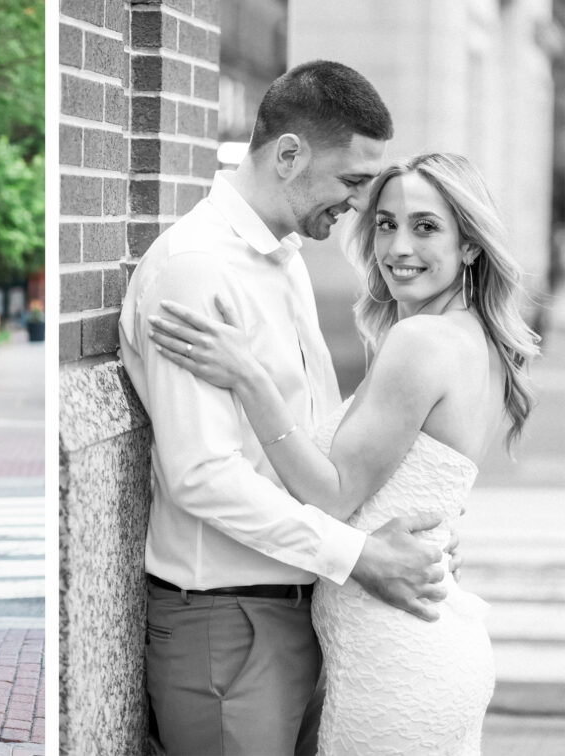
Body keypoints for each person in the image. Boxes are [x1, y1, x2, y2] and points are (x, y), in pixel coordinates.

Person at [118, 60, 461, 755]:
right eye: (353, 182)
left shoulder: (283, 257)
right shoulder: (196, 269)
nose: (359, 206)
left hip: (298, 610)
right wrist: (357, 555)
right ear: (289, 154)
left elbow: (312, 439)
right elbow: (201, 474)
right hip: (227, 627)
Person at [149, 152, 538, 753]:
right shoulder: (466, 337)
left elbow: (332, 494)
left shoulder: (421, 341)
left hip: (397, 657)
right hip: (411, 643)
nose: (398, 246)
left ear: (469, 245)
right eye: (386, 223)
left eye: (426, 227)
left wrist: (250, 378)